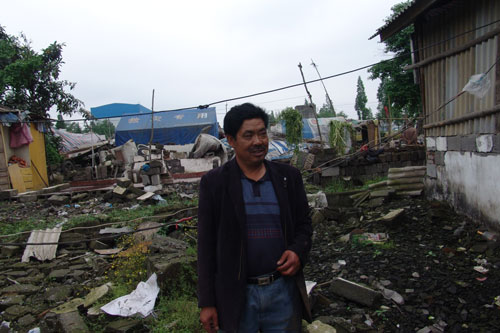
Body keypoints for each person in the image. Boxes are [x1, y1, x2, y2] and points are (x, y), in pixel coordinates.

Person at [197, 103, 313, 332]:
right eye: (248, 135)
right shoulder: (215, 183)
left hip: (282, 291)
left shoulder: (288, 178)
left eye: (262, 133)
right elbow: (206, 246)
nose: (258, 141)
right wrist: (207, 302)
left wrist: (298, 251)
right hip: (236, 294)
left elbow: (304, 225)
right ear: (231, 140)